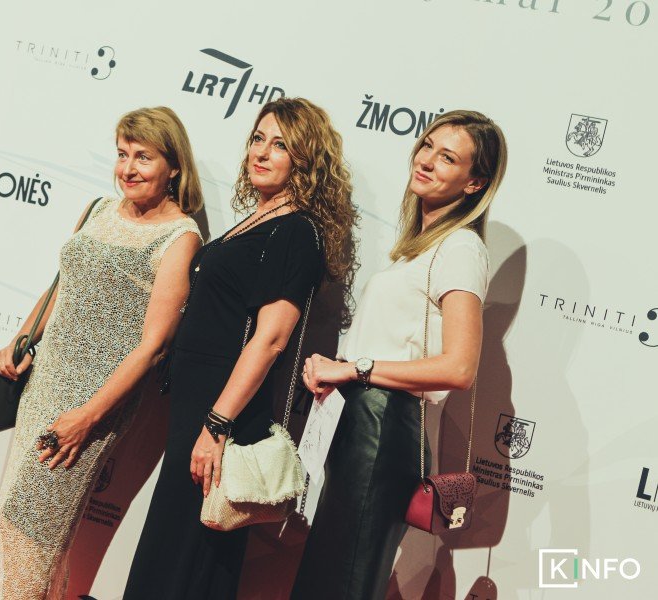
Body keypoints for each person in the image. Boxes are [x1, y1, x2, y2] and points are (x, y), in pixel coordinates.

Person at [124, 97, 358, 600]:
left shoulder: (296, 231)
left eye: (280, 145)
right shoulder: (256, 220)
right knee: (176, 548)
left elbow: (271, 339)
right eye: (258, 139)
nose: (262, 152)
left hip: (220, 412)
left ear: (306, 160)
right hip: (197, 407)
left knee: (187, 557)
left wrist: (217, 424)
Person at [0, 106, 203, 600]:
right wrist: (20, 341)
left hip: (90, 408)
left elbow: (154, 346)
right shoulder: (98, 209)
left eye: (143, 157)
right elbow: (62, 284)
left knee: (34, 535)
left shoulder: (180, 237)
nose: (128, 168)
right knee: (12, 526)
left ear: (173, 167)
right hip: (42, 389)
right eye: (122, 154)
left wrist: (89, 416)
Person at [292, 110, 508, 600]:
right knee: (330, 573)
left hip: (383, 428)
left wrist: (355, 368)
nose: (426, 160)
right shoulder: (418, 249)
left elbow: (459, 368)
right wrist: (336, 370)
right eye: (427, 145)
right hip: (361, 422)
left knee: (345, 580)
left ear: (475, 183)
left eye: (447, 157)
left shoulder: (460, 248)